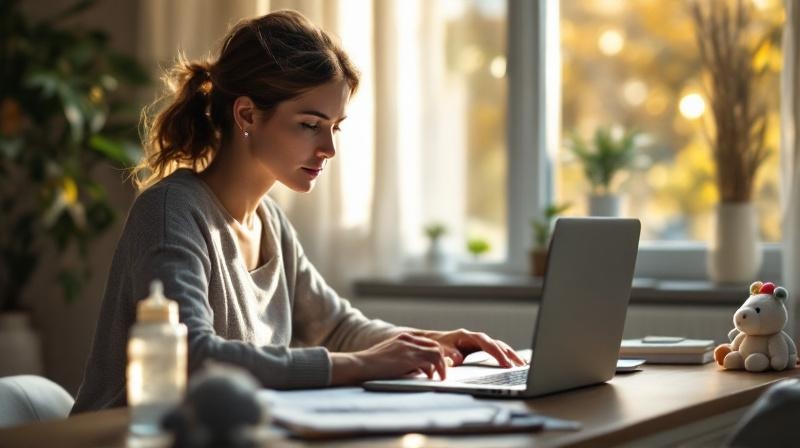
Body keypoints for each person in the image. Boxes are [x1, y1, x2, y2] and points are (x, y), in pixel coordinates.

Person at [72, 10, 524, 413]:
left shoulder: (271, 222)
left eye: (334, 128)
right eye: (310, 125)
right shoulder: (171, 211)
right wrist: (360, 365)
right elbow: (194, 357)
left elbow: (336, 326)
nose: (327, 148)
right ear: (247, 115)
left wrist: (432, 343)